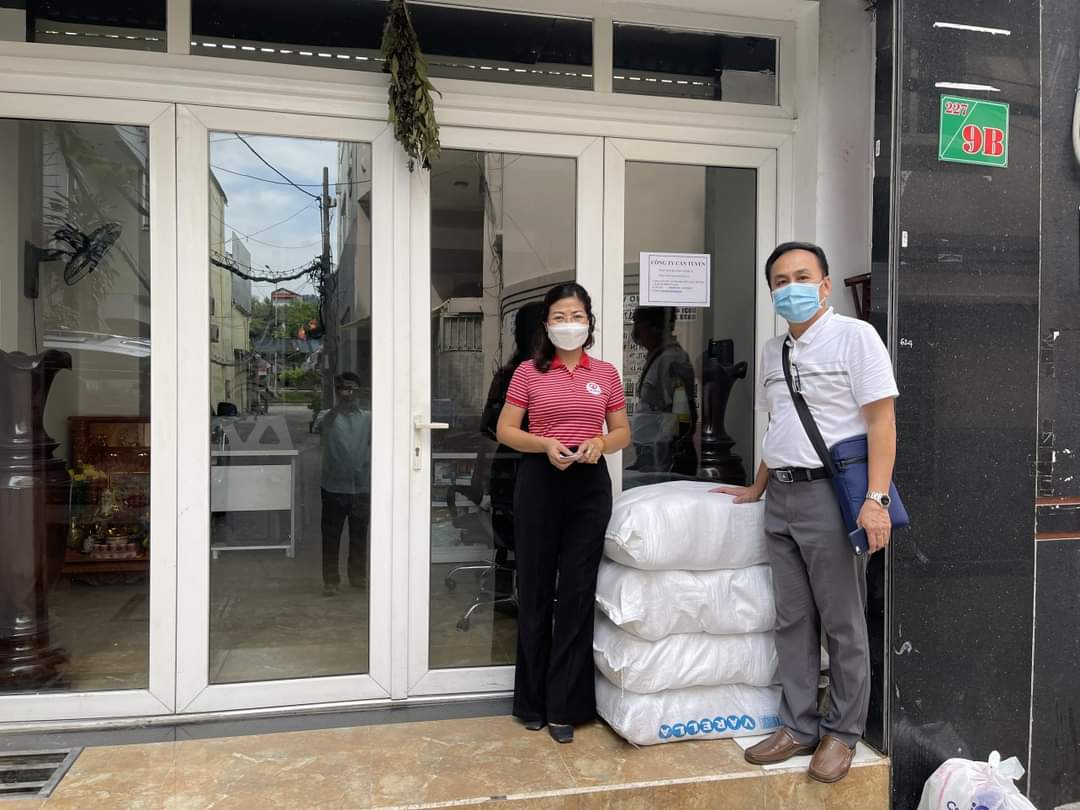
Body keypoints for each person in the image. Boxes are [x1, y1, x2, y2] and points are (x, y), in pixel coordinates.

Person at [716, 242, 898, 783]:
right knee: (792, 619)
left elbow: (882, 423)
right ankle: (798, 725)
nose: (790, 288)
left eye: (801, 276)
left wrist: (877, 500)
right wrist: (757, 487)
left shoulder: (856, 338)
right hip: (782, 497)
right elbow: (779, 426)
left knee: (842, 622)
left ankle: (842, 732)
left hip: (832, 496)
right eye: (780, 281)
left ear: (824, 284)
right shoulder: (773, 351)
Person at [496, 282, 630, 744]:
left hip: (588, 487)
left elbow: (622, 431)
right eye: (559, 317)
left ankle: (565, 706)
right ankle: (531, 702)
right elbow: (506, 429)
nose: (568, 325)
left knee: (576, 593)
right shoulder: (528, 373)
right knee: (534, 591)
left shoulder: (606, 374)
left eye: (576, 316)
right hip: (540, 480)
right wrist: (544, 444)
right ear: (546, 324)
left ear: (589, 322)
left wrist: (601, 442)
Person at [477, 302, 547, 600]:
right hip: (515, 468)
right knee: (517, 536)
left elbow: (487, 426)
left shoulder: (556, 374)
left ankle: (515, 595)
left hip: (528, 465)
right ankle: (513, 597)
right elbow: (490, 425)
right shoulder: (510, 375)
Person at [315, 372, 371, 597]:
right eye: (344, 389)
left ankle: (357, 577)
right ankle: (331, 581)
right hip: (333, 487)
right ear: (337, 392)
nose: (349, 394)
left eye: (353, 389)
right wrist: (338, 407)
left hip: (362, 486)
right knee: (331, 536)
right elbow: (321, 428)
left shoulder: (368, 418)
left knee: (359, 536)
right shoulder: (326, 416)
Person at [628, 306, 698, 476]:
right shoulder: (658, 356)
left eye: (638, 324)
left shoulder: (671, 360)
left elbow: (682, 413)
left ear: (653, 327)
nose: (635, 331)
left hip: (661, 455)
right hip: (651, 451)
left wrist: (666, 453)